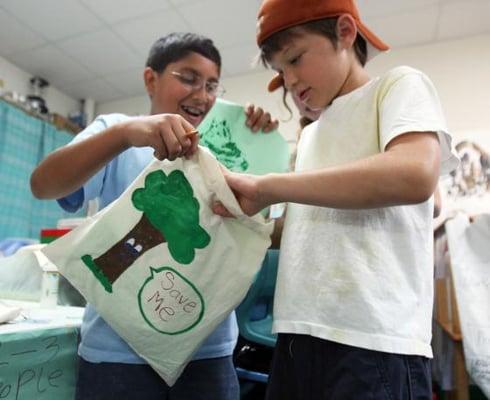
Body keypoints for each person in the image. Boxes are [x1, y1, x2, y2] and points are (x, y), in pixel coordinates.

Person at [213, 1, 459, 399]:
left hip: (373, 340)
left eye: (295, 59)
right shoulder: (310, 134)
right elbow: (298, 228)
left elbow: (415, 174)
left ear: (345, 32)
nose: (289, 80)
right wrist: (244, 206)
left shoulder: (398, 86)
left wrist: (272, 186)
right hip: (296, 336)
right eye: (279, 71)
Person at [31, 32, 279, 400]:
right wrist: (125, 133)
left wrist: (256, 141)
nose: (202, 94)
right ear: (151, 79)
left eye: (212, 85)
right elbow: (44, 184)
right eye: (188, 77)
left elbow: (261, 227)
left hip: (208, 353)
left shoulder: (227, 148)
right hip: (117, 354)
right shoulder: (119, 133)